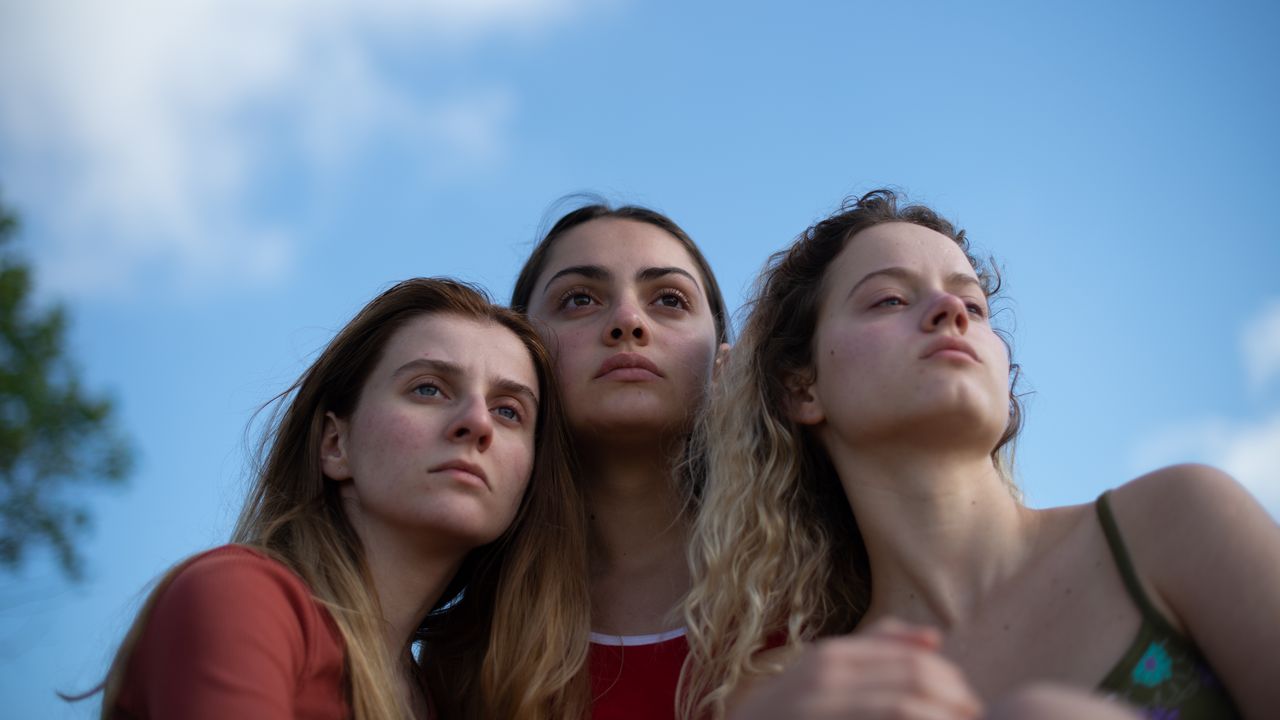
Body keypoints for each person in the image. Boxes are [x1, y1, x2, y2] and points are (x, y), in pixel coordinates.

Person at [684, 190, 1280, 719]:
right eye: (890, 300)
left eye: (973, 306)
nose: (951, 314)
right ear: (801, 387)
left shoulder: (1177, 520)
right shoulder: (803, 695)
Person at [91, 278, 591, 719]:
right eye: (428, 389)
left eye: (508, 412)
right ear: (336, 444)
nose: (477, 423)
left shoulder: (444, 699)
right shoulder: (241, 596)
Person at [511, 202, 730, 720]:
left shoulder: (823, 595)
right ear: (519, 353)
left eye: (670, 300)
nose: (627, 321)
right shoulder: (464, 650)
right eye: (579, 299)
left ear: (723, 363)